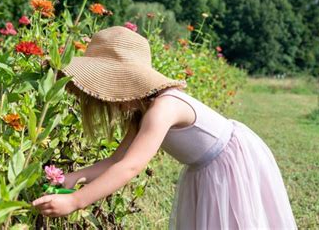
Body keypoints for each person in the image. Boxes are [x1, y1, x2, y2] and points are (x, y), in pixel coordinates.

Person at [32, 26, 297, 229]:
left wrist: (75, 201)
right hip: (203, 167)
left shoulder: (163, 109)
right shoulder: (142, 111)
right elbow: (116, 159)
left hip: (229, 161)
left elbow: (130, 167)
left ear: (131, 82)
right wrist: (70, 179)